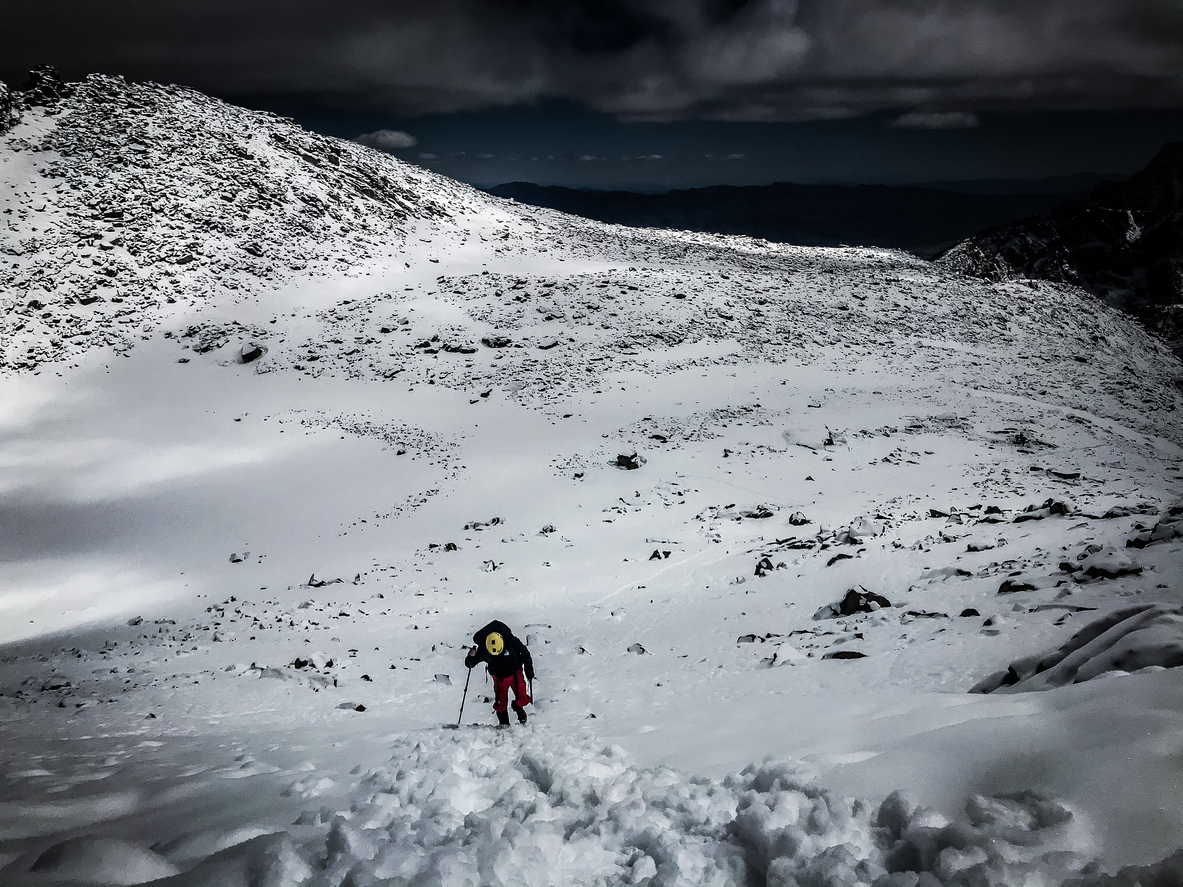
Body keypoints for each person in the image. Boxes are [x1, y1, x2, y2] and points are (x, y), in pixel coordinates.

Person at [464, 619, 534, 726]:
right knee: (500, 702)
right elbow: (470, 664)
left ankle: (518, 706)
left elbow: (525, 654)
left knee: (522, 697)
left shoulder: (511, 641)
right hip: (498, 676)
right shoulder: (484, 648)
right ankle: (504, 724)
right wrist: (471, 656)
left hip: (515, 672)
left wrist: (529, 672)